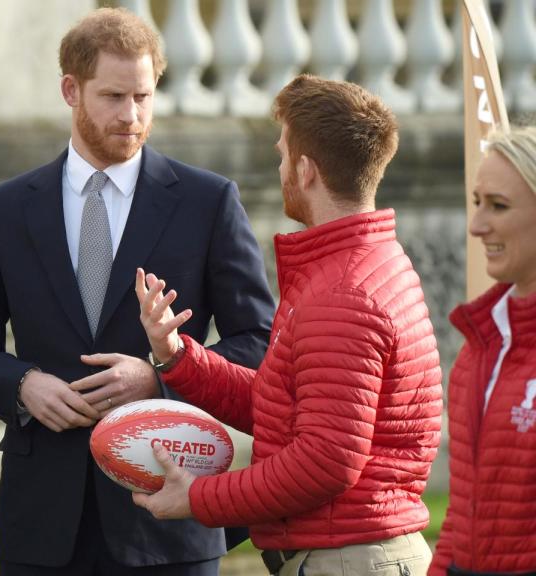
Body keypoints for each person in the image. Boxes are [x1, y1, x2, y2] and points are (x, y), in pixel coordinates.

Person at [0, 7, 274, 575]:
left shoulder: (208, 202)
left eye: (144, 97)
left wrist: (163, 374)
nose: (132, 115)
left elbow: (260, 341)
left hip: (168, 513)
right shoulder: (2, 210)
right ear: (71, 90)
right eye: (114, 96)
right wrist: (23, 386)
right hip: (41, 519)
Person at [132, 74, 444, 576]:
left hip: (346, 560)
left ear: (305, 170)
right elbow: (286, 413)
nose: (278, 168)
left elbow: (324, 462)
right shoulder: (360, 263)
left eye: (281, 155)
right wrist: (178, 357)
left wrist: (199, 497)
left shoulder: (342, 290)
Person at [428, 127, 536, 576]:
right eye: (477, 202)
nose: (476, 225)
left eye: (499, 206)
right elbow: (462, 513)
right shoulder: (479, 344)